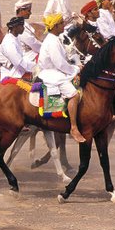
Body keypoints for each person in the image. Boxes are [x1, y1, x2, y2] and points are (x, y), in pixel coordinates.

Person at [37, 14, 85, 143]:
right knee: (74, 95)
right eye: (62, 24)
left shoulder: (55, 38)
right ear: (56, 26)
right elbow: (60, 63)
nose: (64, 25)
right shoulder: (52, 41)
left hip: (57, 71)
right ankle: (74, 128)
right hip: (52, 74)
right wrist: (76, 69)